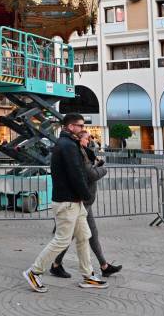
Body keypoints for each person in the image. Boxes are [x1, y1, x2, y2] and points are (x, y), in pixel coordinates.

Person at [22, 113, 108, 293]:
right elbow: (76, 174)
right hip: (67, 202)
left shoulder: (69, 144)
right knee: (62, 240)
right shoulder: (67, 145)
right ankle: (34, 272)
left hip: (75, 202)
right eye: (80, 125)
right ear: (70, 127)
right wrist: (85, 195)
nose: (83, 129)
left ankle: (88, 275)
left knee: (84, 236)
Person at [50, 130, 122, 279]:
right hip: (81, 200)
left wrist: (96, 166)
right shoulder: (78, 153)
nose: (88, 141)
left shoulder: (85, 152)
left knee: (91, 235)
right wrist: (103, 169)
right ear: (79, 139)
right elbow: (90, 174)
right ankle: (50, 266)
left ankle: (103, 266)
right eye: (86, 138)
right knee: (68, 237)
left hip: (85, 201)